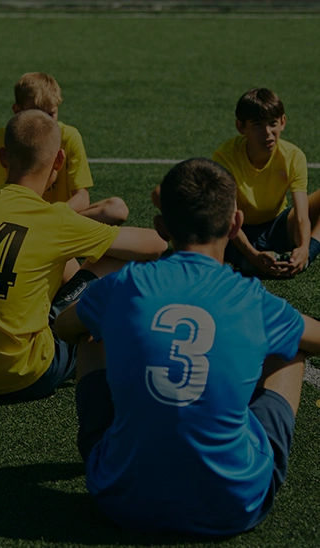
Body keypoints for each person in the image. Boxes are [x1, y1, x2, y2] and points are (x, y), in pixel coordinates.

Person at [55, 158, 320, 535]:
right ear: (235, 225)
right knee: (292, 347)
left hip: (121, 498)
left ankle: (119, 450)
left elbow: (65, 326)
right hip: (232, 505)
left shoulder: (125, 285)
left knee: (89, 332)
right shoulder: (252, 299)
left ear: (161, 229)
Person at [0, 110, 166, 399]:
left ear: (3, 158)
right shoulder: (53, 219)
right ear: (60, 161)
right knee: (114, 259)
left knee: (61, 258)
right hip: (22, 375)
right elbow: (156, 244)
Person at [152, 88, 320, 278]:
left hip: (277, 225)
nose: (268, 133)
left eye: (272, 123)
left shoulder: (294, 156)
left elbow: (301, 215)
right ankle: (246, 261)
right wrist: (252, 254)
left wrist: (305, 247)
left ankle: (303, 260)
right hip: (235, 233)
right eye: (257, 125)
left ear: (283, 122)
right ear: (241, 127)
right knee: (168, 198)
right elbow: (231, 219)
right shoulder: (225, 157)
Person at [0, 72, 128, 226]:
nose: (45, 122)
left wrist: (49, 216)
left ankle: (43, 230)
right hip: (18, 219)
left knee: (115, 208)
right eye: (37, 114)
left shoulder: (69, 137)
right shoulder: (5, 137)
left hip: (57, 219)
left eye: (51, 114)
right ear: (17, 111)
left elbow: (82, 196)